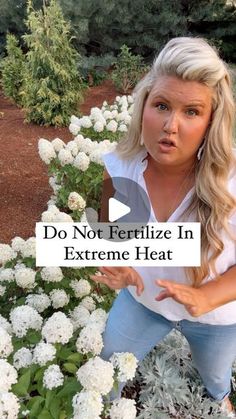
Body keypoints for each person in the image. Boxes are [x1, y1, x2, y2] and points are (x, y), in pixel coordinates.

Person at [90, 37, 236, 416]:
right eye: (161, 106)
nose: (171, 126)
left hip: (215, 313)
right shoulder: (119, 167)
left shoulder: (232, 181)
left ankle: (219, 396)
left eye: (192, 111)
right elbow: (113, 236)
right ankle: (100, 406)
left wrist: (204, 298)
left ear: (210, 121)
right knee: (106, 364)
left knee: (215, 375)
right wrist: (119, 267)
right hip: (143, 301)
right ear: (144, 108)